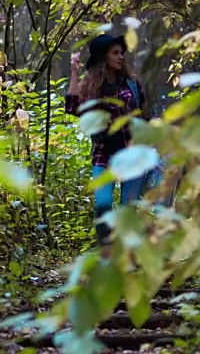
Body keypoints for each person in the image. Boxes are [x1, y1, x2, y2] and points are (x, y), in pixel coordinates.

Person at [65, 34, 151, 259]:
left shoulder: (132, 84)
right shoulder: (92, 87)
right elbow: (73, 107)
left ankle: (127, 261)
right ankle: (107, 255)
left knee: (127, 210)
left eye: (121, 52)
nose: (121, 56)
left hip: (132, 156)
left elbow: (145, 116)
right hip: (104, 156)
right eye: (115, 52)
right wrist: (74, 72)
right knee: (103, 206)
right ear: (104, 57)